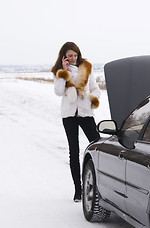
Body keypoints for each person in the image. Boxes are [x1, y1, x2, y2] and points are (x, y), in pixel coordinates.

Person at [51, 42, 101, 202]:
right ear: (64, 57)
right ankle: (78, 190)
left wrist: (90, 99)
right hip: (69, 114)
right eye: (70, 56)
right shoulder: (59, 71)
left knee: (97, 147)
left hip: (86, 113)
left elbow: (96, 89)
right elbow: (59, 92)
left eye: (75, 55)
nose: (73, 58)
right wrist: (63, 72)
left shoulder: (86, 68)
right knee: (74, 151)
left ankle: (99, 187)